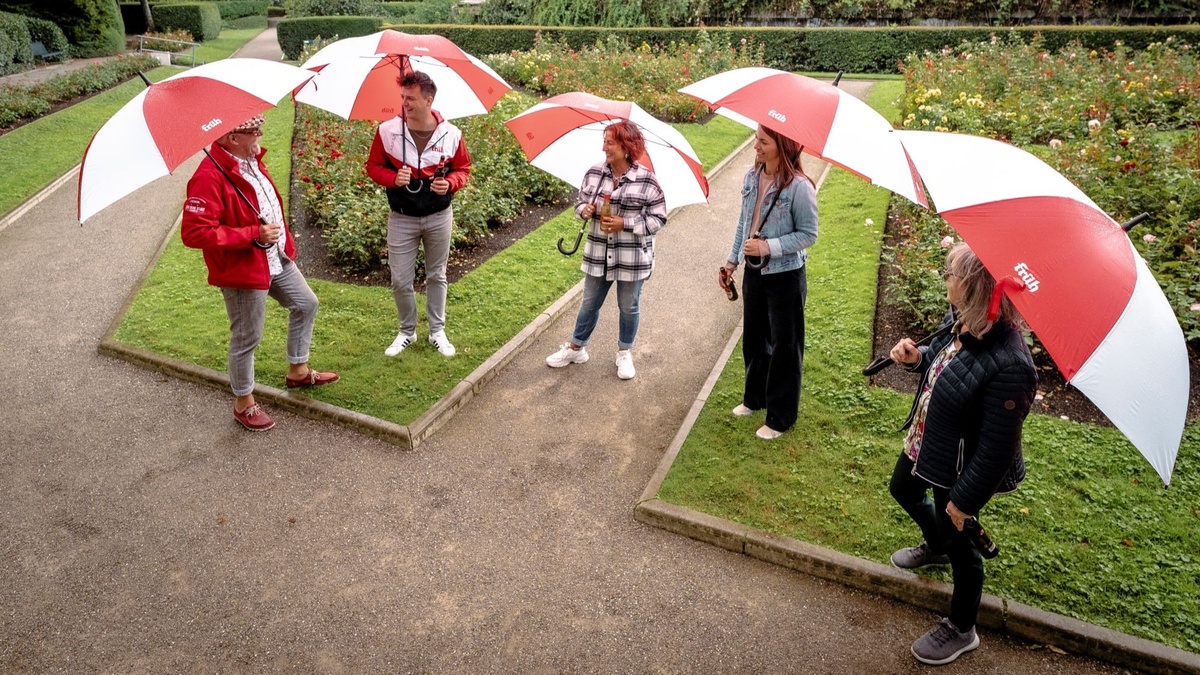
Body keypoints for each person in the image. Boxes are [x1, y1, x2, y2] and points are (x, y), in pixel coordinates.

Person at [887, 242, 1037, 666]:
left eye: (950, 272)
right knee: (902, 489)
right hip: (930, 442)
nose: (945, 278)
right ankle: (935, 545)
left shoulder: (1012, 364)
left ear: (972, 284)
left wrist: (964, 501)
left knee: (962, 547)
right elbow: (944, 364)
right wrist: (918, 359)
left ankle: (962, 627)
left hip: (960, 467)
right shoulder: (964, 320)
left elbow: (997, 448)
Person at [181, 114, 339, 432]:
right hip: (243, 269)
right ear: (231, 137)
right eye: (254, 131)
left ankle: (297, 370)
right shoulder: (208, 178)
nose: (259, 137)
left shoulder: (249, 160)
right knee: (246, 338)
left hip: (274, 258)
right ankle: (244, 403)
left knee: (306, 303)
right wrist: (251, 234)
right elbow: (194, 233)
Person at [544, 120, 668, 380]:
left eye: (609, 142)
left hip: (631, 257)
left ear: (626, 147)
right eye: (604, 141)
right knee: (589, 302)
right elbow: (579, 203)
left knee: (628, 306)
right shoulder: (594, 173)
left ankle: (624, 352)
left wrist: (626, 223)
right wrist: (584, 211)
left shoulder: (647, 180)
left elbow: (659, 219)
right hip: (598, 253)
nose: (604, 148)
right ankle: (577, 348)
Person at [365, 71, 471, 358]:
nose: (405, 104)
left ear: (428, 99)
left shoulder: (451, 134)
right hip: (401, 217)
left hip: (439, 215)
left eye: (410, 98)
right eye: (402, 98)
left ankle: (437, 331)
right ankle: (407, 331)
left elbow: (463, 169)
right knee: (400, 279)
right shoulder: (388, 131)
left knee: (437, 275)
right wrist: (392, 178)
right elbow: (373, 166)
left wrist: (450, 183)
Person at [722, 125, 818, 440]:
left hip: (786, 276)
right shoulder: (753, 177)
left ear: (782, 146)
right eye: (756, 139)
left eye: (763, 142)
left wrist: (767, 247)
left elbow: (808, 235)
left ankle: (780, 417)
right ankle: (755, 399)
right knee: (754, 338)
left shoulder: (799, 187)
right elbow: (743, 221)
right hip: (753, 272)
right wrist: (732, 261)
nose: (756, 147)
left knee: (785, 347)